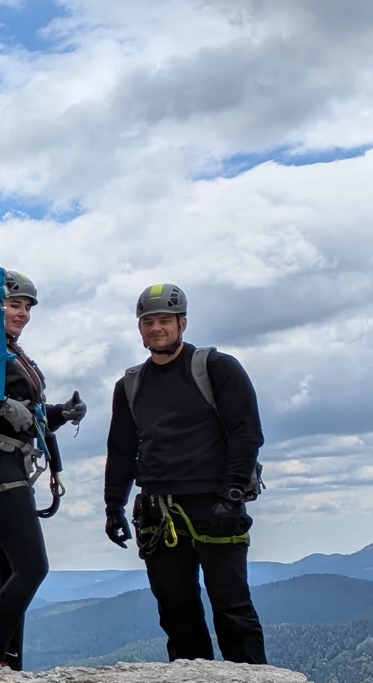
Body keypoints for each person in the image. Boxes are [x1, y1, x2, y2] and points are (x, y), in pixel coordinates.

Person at [104, 284, 267, 663]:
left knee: (232, 607)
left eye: (164, 321)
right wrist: (114, 505)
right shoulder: (129, 386)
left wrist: (232, 493)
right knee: (176, 612)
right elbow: (122, 450)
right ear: (139, 328)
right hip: (159, 512)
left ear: (183, 323)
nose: (156, 328)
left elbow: (247, 434)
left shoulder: (216, 368)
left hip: (216, 504)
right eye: (148, 322)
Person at [0, 272, 86, 670]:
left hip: (3, 463)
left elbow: (27, 416)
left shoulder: (9, 351)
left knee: (14, 570)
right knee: (33, 567)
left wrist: (60, 413)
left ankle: (11, 664)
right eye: (15, 304)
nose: (23, 313)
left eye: (27, 307)